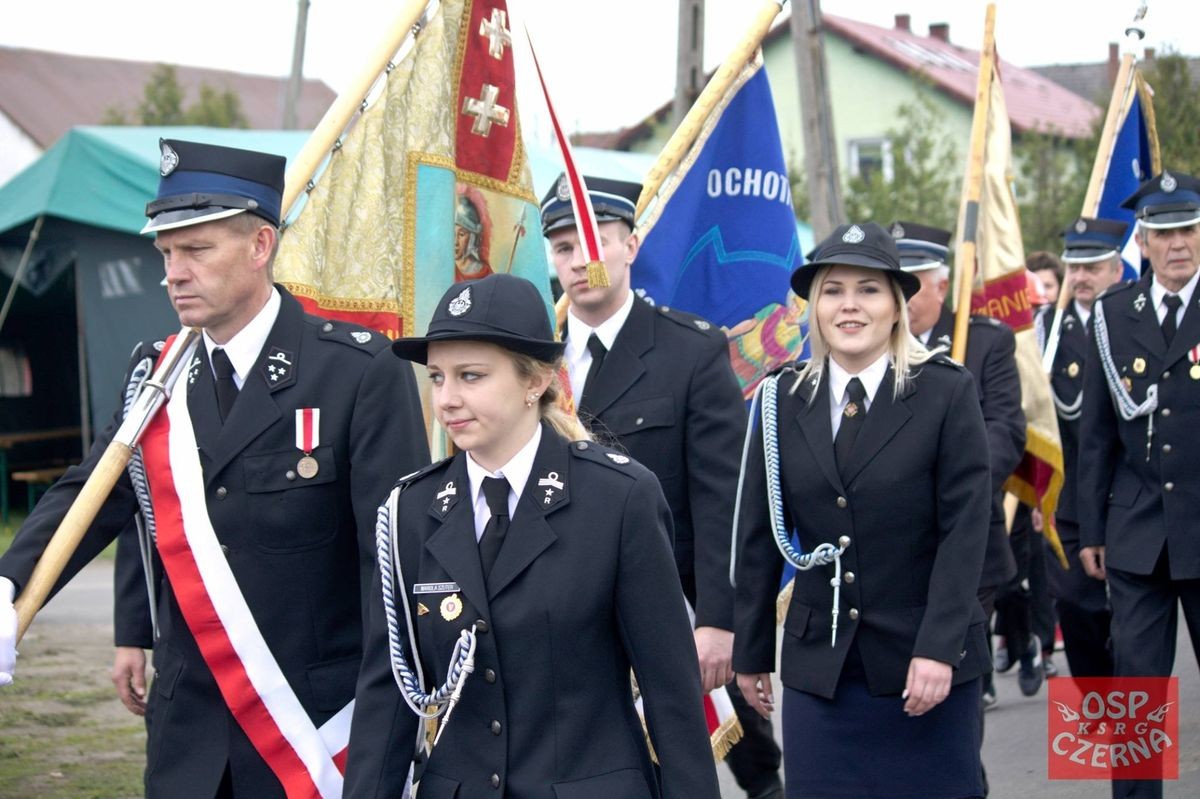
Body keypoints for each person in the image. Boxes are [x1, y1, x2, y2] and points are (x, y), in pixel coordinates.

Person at [0, 139, 429, 797]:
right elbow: (92, 491)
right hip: (188, 743)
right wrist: (9, 580)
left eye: (197, 250)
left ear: (261, 246)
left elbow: (392, 584)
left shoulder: (357, 371)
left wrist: (379, 758)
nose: (173, 271)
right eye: (166, 252)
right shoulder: (159, 373)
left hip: (313, 736)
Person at [344, 273, 720, 798]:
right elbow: (388, 698)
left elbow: (671, 696)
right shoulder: (410, 510)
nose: (447, 399)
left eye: (470, 376)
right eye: (436, 378)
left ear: (536, 381)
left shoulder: (618, 498)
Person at [541, 174, 783, 798]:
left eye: (593, 243)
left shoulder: (690, 352)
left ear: (631, 244)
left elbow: (721, 500)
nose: (579, 262)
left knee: (716, 765)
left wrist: (719, 621)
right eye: (563, 248)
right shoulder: (536, 364)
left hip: (669, 607)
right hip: (564, 613)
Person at [734, 222, 991, 799]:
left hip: (924, 662)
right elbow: (755, 534)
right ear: (814, 307)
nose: (850, 305)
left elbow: (965, 531)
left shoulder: (946, 392)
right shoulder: (780, 398)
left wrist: (936, 647)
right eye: (833, 290)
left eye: (869, 290)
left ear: (898, 307)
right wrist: (750, 652)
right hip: (820, 670)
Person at [1079, 172, 1200, 799]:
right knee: (1134, 690)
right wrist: (1090, 530)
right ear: (1143, 244)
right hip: (1137, 531)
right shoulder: (1112, 313)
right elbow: (1096, 435)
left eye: (1188, 230)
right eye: (1164, 233)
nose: (1178, 244)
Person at [891, 221, 1031, 699]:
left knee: (953, 692)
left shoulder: (985, 341)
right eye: (894, 283)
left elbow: (1006, 431)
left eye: (912, 284)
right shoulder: (870, 350)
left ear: (943, 285)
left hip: (966, 538)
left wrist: (942, 483)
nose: (901, 296)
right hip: (891, 551)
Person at [1034, 218, 1126, 679]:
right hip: (1065, 491)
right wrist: (1033, 490)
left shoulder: (1132, 317)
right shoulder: (1045, 328)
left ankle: (1135, 738)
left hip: (1128, 488)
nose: (1082, 276)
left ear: (1118, 270)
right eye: (1075, 266)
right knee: (1074, 606)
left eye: (1093, 266)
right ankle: (1099, 718)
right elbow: (1030, 413)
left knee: (1132, 620)